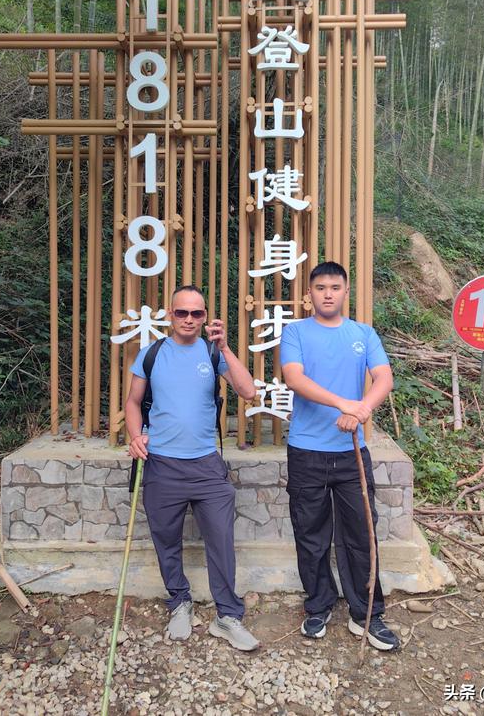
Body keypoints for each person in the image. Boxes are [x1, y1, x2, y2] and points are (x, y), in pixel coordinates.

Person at [125, 285, 259, 651]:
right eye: (181, 313)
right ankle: (179, 602)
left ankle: (227, 615)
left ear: (205, 317)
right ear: (170, 315)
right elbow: (133, 403)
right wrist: (136, 437)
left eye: (196, 314)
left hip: (206, 466)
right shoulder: (151, 354)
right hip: (161, 464)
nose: (188, 319)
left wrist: (226, 348)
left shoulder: (213, 353)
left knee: (221, 541)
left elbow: (248, 392)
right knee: (166, 541)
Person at [280, 261, 400, 650]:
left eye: (335, 286)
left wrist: (361, 409)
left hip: (351, 454)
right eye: (320, 287)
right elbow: (294, 378)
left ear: (346, 291)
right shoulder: (295, 331)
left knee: (361, 535)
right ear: (309, 293)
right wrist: (346, 405)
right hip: (306, 451)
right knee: (311, 533)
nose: (327, 293)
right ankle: (318, 605)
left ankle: (367, 613)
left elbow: (384, 377)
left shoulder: (363, 334)